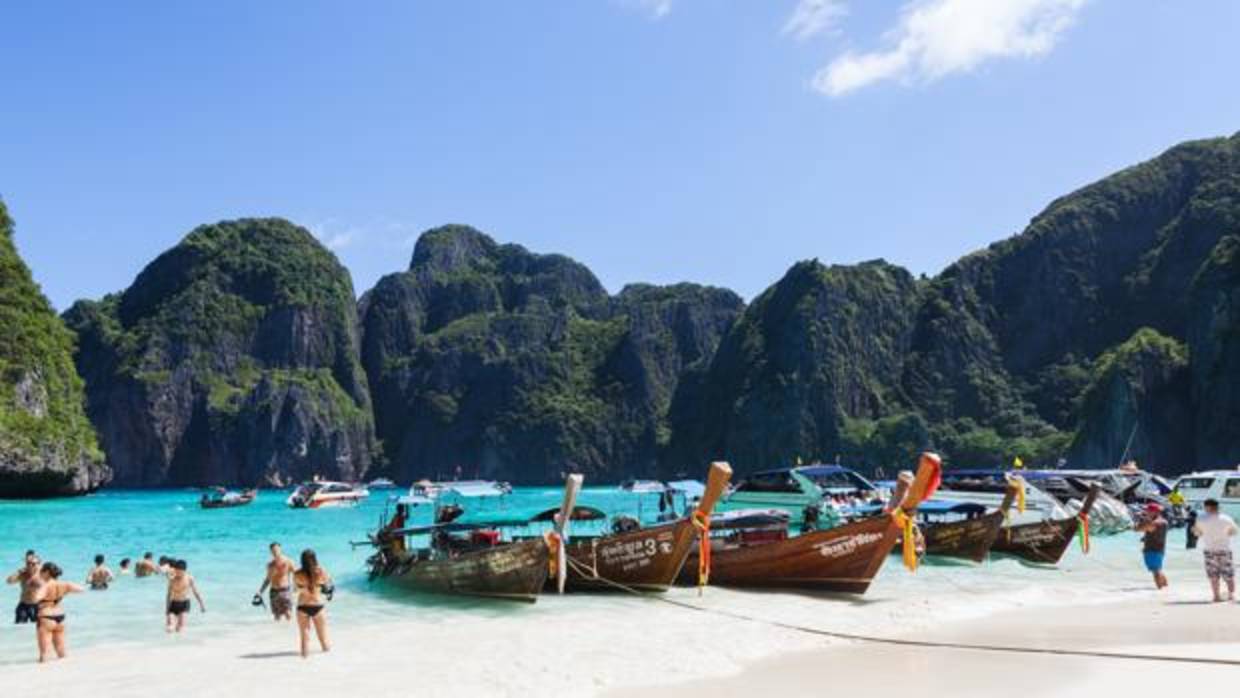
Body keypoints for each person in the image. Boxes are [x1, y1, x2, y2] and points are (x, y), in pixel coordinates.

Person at [34, 562, 84, 662]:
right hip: (60, 617)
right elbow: (81, 589)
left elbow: (36, 598)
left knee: (44, 654)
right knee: (61, 651)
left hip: (46, 617)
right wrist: (58, 597)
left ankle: (41, 675)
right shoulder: (65, 584)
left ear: (47, 572)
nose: (39, 573)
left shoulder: (45, 586)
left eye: (41, 571)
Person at [1192, 499, 1237, 602]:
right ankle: (1231, 595)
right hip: (1225, 549)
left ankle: (1216, 596)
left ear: (1207, 507)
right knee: (1229, 574)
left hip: (1210, 550)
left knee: (1213, 575)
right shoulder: (1227, 518)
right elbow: (1234, 532)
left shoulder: (1201, 518)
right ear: (1217, 507)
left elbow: (1197, 533)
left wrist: (1196, 531)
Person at [293, 549, 333, 658]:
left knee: (304, 638)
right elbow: (329, 585)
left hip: (302, 606)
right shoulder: (321, 571)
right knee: (323, 639)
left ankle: (304, 664)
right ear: (315, 559)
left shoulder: (297, 574)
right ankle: (329, 665)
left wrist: (304, 588)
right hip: (317, 606)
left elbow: (295, 590)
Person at [255, 542, 296, 621]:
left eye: (276, 550)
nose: (275, 552)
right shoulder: (270, 565)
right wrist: (260, 591)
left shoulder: (288, 562)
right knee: (277, 616)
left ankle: (290, 632)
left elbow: (297, 575)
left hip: (285, 590)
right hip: (274, 592)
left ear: (280, 549)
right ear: (271, 552)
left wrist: (296, 587)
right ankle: (278, 632)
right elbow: (267, 580)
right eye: (273, 550)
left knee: (288, 614)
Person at [165, 559, 205, 633]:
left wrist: (201, 604)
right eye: (176, 571)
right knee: (169, 626)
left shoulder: (189, 578)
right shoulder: (172, 579)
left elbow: (195, 592)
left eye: (180, 572)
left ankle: (179, 642)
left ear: (184, 571)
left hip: (184, 603)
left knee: (179, 628)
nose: (178, 574)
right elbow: (168, 595)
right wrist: (167, 609)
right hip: (174, 603)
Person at [1135, 503, 1169, 589]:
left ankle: (1160, 590)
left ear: (1155, 512)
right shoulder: (1163, 521)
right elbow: (1152, 532)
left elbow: (1138, 529)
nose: (1146, 512)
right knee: (1158, 570)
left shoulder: (1157, 522)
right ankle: (1165, 589)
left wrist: (1141, 520)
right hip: (1158, 548)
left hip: (1153, 549)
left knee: (1156, 571)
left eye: (1148, 511)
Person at [7, 550, 44, 624]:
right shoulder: (22, 575)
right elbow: (9, 581)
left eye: (33, 564)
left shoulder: (42, 575)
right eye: (28, 563)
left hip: (38, 605)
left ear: (39, 564)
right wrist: (18, 571)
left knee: (40, 629)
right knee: (18, 629)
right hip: (23, 605)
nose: (30, 566)